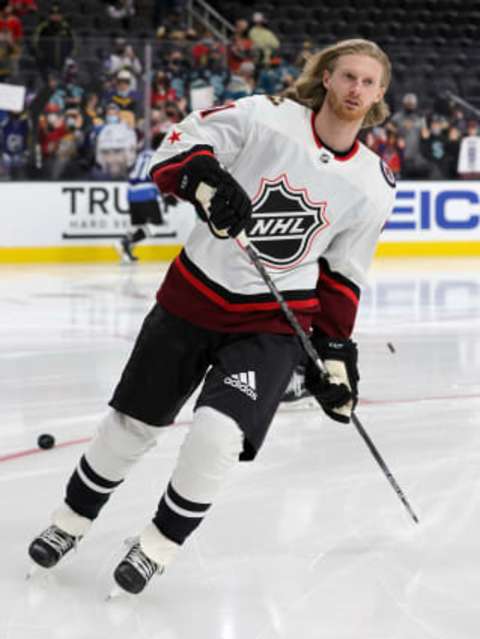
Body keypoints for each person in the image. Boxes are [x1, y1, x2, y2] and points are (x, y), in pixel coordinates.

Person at [28, 38, 396, 596]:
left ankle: (158, 545)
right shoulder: (263, 117)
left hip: (272, 325)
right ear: (326, 77)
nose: (355, 90)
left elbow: (343, 274)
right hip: (192, 300)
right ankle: (70, 522)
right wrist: (203, 179)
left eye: (369, 83)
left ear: (379, 96)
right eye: (348, 76)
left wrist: (337, 357)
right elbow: (178, 145)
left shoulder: (374, 183)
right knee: (131, 426)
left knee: (217, 436)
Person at [117, 132, 178, 263]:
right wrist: (167, 195)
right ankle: (127, 242)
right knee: (156, 226)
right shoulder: (160, 157)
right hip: (146, 192)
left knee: (138, 225)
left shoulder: (143, 154)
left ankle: (126, 253)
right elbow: (159, 177)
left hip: (131, 192)